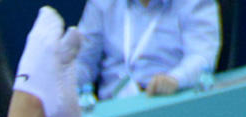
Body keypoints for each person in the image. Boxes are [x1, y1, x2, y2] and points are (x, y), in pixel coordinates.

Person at [75, 0, 220, 101]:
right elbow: (83, 61)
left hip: (167, 101)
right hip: (112, 109)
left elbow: (202, 56)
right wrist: (67, 84)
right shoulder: (102, 4)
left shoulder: (193, 3)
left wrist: (175, 79)